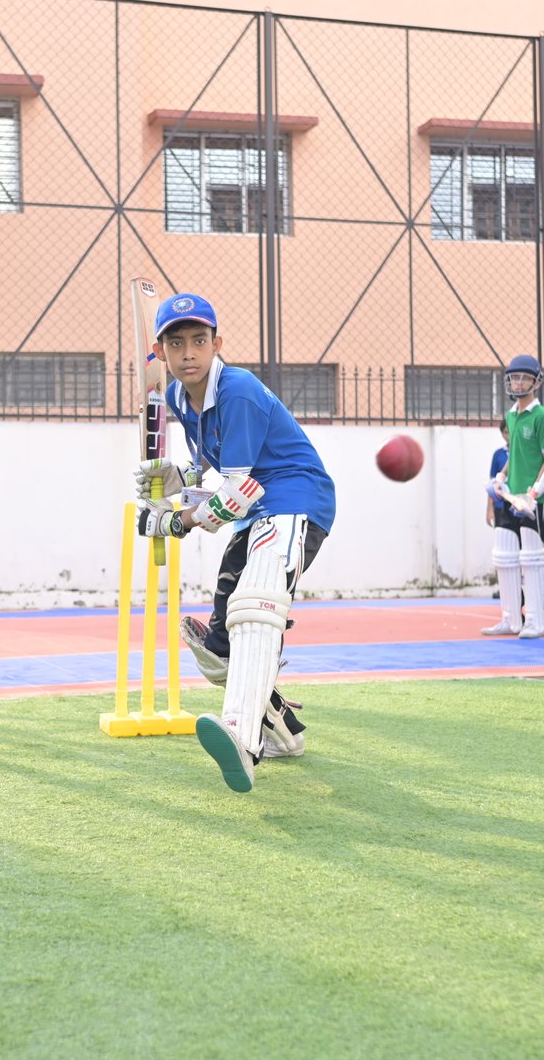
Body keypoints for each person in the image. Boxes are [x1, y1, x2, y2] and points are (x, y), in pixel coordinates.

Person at [132, 293, 337, 794]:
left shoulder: (238, 390)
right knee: (220, 649)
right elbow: (211, 463)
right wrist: (179, 476)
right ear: (160, 351)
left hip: (292, 499)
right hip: (255, 511)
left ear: (217, 343)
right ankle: (283, 733)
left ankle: (242, 739)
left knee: (255, 607)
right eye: (176, 344)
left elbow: (235, 493)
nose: (188, 353)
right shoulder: (179, 397)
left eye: (198, 341)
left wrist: (174, 522)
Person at [482, 354, 544, 639]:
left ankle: (536, 622)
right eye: (514, 377)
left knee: (532, 559)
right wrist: (501, 477)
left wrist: (535, 492)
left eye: (524, 378)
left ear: (536, 382)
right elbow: (514, 454)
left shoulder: (542, 417)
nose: (518, 383)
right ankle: (511, 619)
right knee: (504, 556)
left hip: (534, 500)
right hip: (511, 495)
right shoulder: (511, 416)